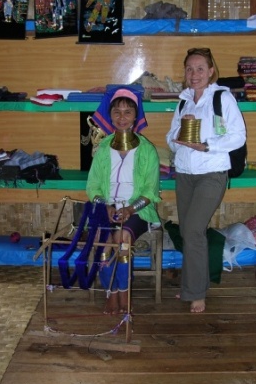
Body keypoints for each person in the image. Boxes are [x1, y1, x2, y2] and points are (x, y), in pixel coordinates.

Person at [166, 48, 246, 313]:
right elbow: (171, 140)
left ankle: (197, 292)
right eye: (189, 69)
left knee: (192, 230)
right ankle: (191, 285)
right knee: (188, 232)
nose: (194, 74)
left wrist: (207, 145)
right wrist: (180, 135)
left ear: (211, 71)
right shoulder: (183, 102)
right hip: (184, 174)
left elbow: (238, 136)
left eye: (200, 68)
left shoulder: (222, 98)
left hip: (212, 173)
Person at [86, 88, 161, 315]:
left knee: (122, 238)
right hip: (106, 207)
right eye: (116, 112)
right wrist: (105, 205)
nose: (122, 117)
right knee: (103, 240)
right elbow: (92, 186)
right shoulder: (103, 149)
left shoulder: (147, 150)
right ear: (110, 116)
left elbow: (150, 191)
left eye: (127, 112)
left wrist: (129, 209)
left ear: (136, 117)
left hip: (138, 210)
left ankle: (124, 293)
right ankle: (111, 292)